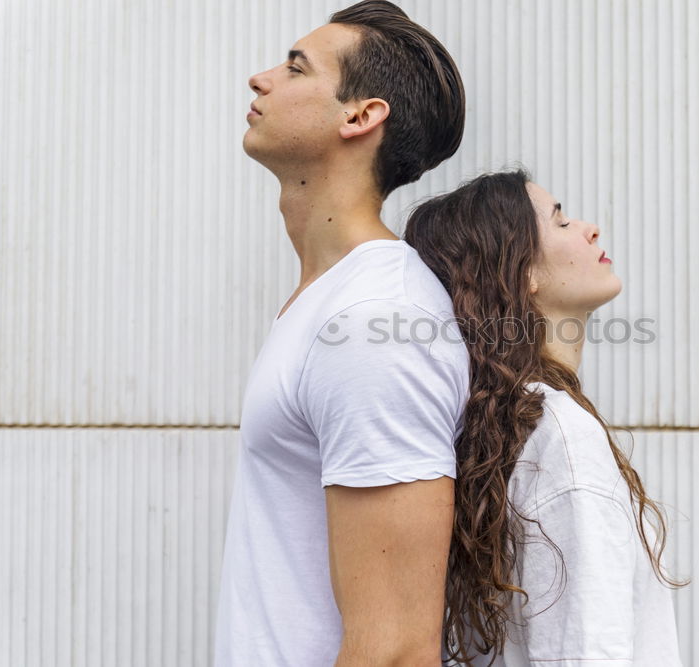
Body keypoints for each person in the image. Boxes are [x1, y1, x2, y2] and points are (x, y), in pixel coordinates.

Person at [214, 1, 469, 664]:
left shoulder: (371, 321)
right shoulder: (328, 302)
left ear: (361, 116)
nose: (260, 78)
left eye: (295, 68)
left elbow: (397, 647)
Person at [404, 169, 688, 665]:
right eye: (560, 222)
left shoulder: (503, 430)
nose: (590, 229)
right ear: (522, 273)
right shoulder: (563, 440)